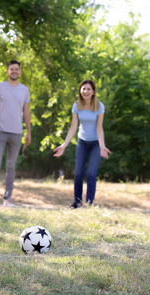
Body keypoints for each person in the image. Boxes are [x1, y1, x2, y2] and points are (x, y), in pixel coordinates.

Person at [53, 80, 111, 208]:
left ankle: (89, 204)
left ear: (93, 91)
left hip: (96, 143)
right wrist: (63, 145)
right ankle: (77, 202)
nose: (86, 91)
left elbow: (99, 128)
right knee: (78, 173)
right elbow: (73, 127)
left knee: (91, 173)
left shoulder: (99, 106)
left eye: (88, 89)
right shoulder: (76, 105)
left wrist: (102, 146)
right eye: (83, 89)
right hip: (82, 142)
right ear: (80, 91)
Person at [0, 60, 31, 207]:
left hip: (16, 133)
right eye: (12, 69)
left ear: (20, 72)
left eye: (17, 69)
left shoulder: (24, 90)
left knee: (11, 165)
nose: (14, 71)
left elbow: (26, 112)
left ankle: (7, 198)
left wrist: (28, 132)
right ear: (7, 71)